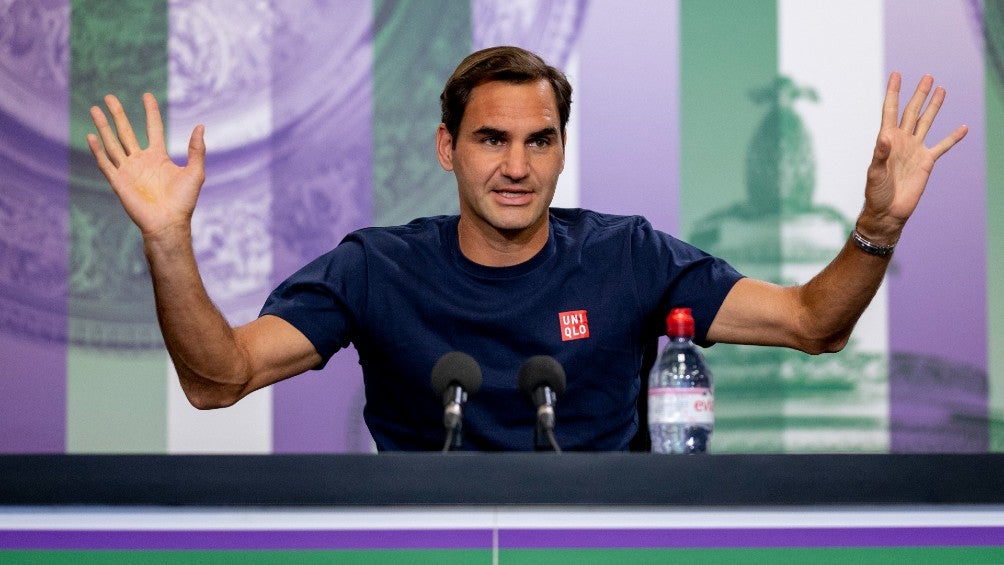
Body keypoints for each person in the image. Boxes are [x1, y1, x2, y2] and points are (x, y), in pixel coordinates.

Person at [86, 46, 968, 451]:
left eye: (539, 141)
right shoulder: (374, 267)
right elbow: (218, 378)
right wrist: (169, 241)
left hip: (617, 550)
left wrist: (877, 227)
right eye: (491, 140)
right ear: (447, 147)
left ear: (561, 148)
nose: (517, 166)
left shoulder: (627, 256)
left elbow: (814, 322)